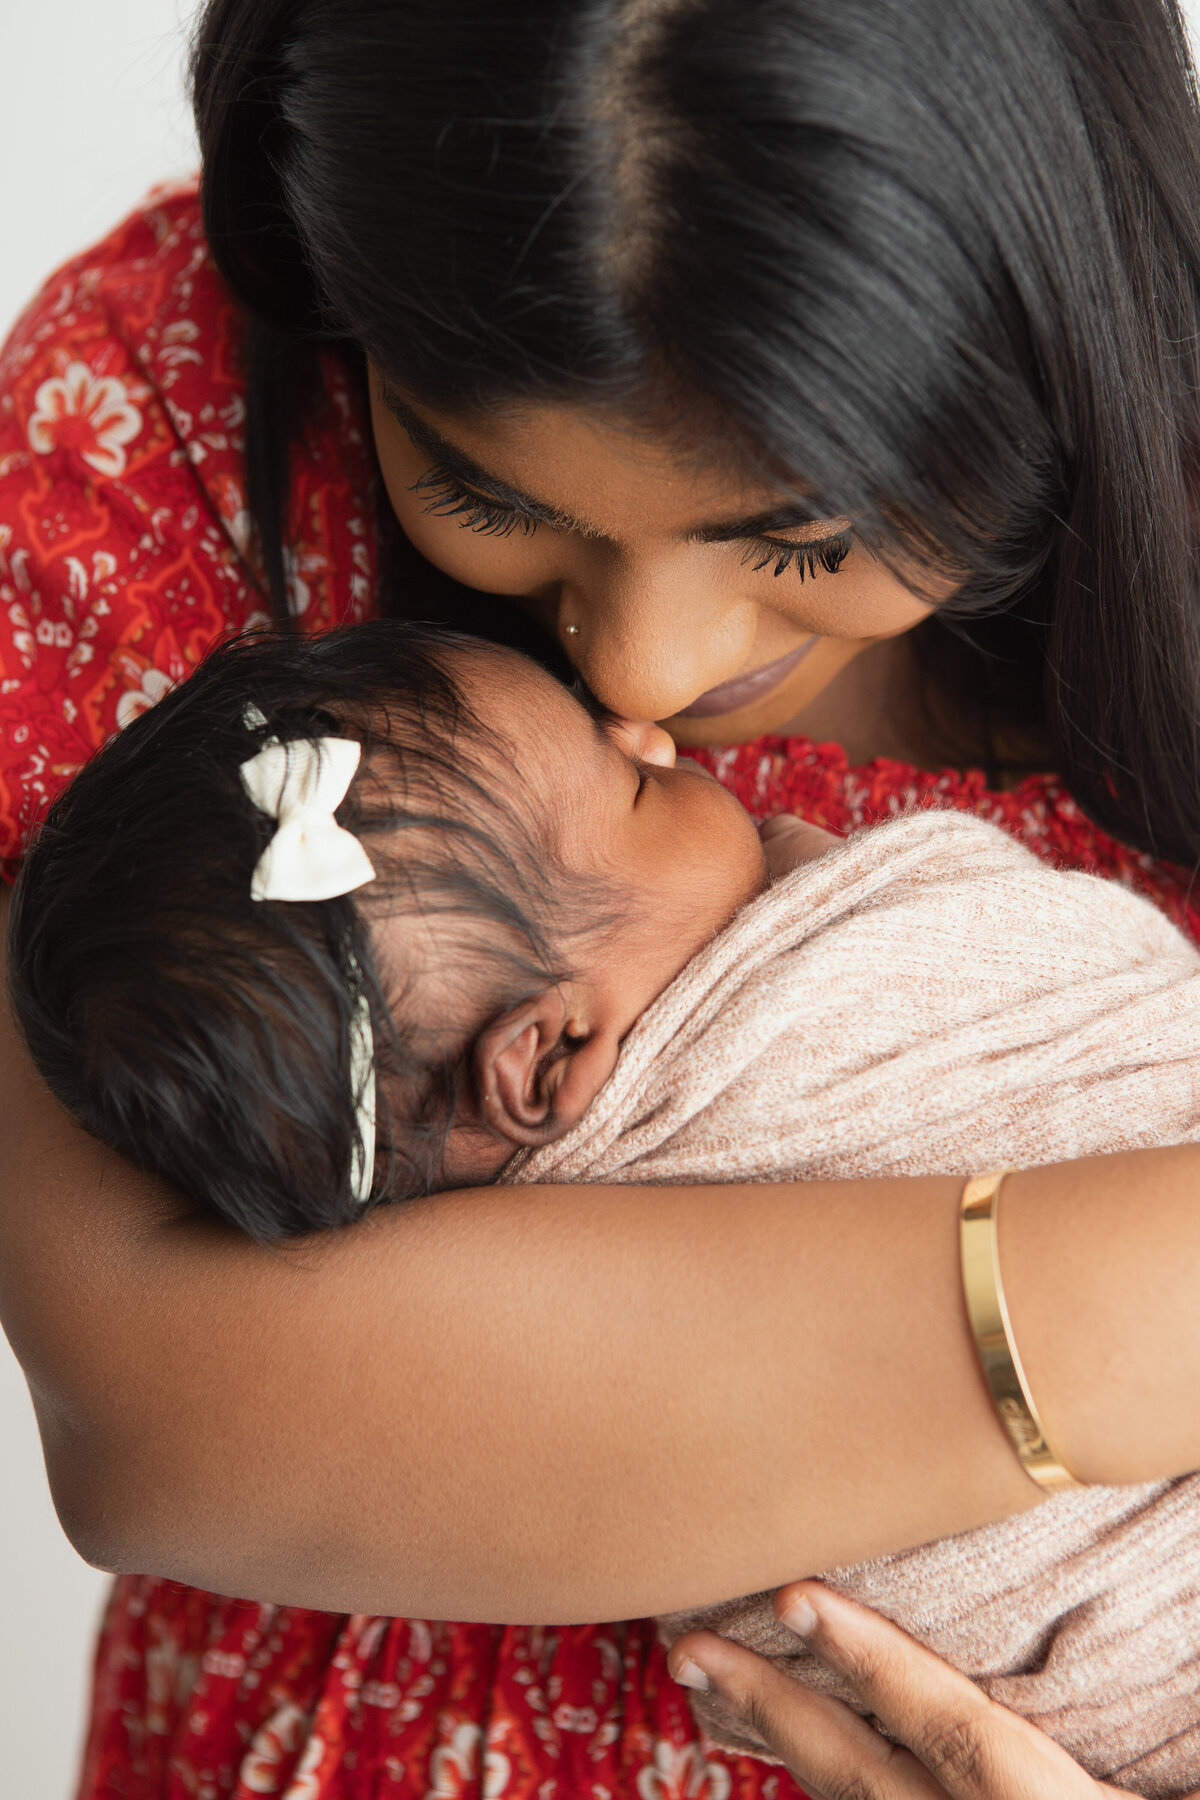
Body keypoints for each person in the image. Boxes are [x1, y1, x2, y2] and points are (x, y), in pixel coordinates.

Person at [2, 0, 1200, 1795]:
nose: (639, 667)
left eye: (800, 534)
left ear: (1047, 327)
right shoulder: (162, 406)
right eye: (482, 484)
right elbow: (160, 1415)